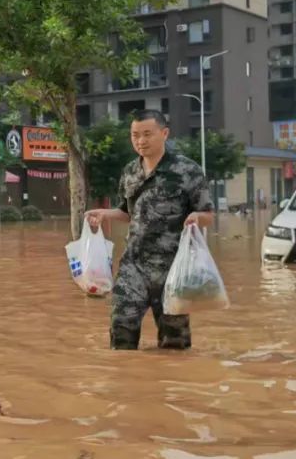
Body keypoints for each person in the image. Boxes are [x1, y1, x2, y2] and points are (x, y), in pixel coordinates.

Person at [85, 110, 213, 350]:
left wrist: (197, 216)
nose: (140, 141)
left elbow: (208, 215)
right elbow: (127, 212)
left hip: (173, 268)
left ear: (164, 133)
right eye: (135, 135)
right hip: (134, 265)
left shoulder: (188, 171)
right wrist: (104, 214)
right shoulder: (130, 172)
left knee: (174, 341)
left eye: (147, 134)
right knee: (121, 326)